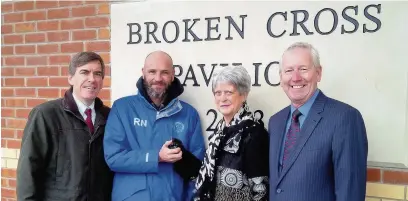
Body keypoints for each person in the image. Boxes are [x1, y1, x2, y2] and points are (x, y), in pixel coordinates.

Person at [268, 42, 368, 201]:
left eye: (303, 69)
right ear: (281, 78)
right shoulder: (275, 122)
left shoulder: (345, 118)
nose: (295, 77)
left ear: (318, 73)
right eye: (288, 70)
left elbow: (350, 192)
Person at [103, 51, 205, 201]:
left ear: (172, 75)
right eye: (152, 72)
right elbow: (113, 158)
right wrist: (156, 157)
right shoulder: (122, 108)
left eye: (164, 72)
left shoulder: (189, 114)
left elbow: (196, 171)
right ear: (143, 73)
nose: (158, 78)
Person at [16, 52, 113, 201]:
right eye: (84, 72)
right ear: (71, 78)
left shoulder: (109, 116)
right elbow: (28, 170)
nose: (92, 79)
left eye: (98, 74)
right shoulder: (45, 114)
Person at [194, 66, 269, 201]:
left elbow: (261, 191)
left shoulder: (253, 134)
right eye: (218, 93)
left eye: (228, 92)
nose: (222, 98)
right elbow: (212, 174)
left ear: (243, 95)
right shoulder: (221, 130)